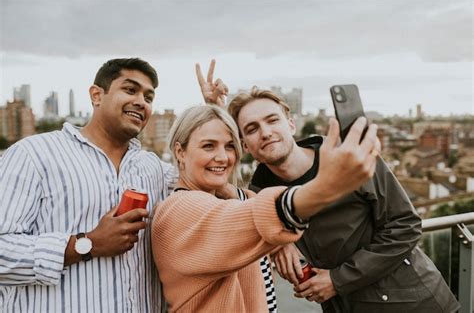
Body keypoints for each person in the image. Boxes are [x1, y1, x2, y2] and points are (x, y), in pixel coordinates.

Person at [226, 86, 460, 312]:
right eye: (252, 128)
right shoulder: (258, 195)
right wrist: (278, 243)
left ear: (291, 124)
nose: (265, 132)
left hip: (410, 302)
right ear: (245, 145)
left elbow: (406, 225)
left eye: (272, 120)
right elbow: (220, 191)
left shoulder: (349, 155)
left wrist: (337, 280)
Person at [151, 104, 380, 312]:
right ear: (180, 152)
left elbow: (247, 204)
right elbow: (254, 215)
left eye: (230, 146)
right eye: (208, 146)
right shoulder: (179, 211)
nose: (222, 157)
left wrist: (279, 241)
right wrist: (325, 187)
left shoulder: (226, 200)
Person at [0, 58, 176, 312]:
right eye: (129, 90)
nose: (141, 101)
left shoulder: (154, 168)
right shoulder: (34, 155)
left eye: (149, 97)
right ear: (96, 95)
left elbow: (204, 177)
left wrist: (213, 110)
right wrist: (87, 244)